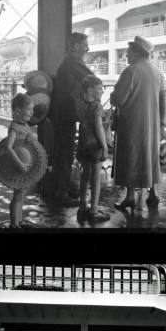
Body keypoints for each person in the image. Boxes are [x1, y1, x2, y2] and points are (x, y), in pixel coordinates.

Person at [110, 36, 166, 210]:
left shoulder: (131, 71)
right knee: (150, 156)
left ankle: (130, 197)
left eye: (128, 52)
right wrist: (162, 121)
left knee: (130, 157)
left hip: (131, 123)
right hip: (152, 124)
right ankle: (154, 193)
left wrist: (112, 95)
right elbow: (163, 97)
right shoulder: (158, 73)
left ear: (137, 52)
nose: (126, 56)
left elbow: (118, 99)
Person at [51, 32, 93, 206]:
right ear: (75, 46)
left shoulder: (67, 61)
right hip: (65, 112)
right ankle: (61, 194)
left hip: (61, 111)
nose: (87, 48)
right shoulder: (73, 62)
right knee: (65, 153)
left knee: (63, 151)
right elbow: (92, 78)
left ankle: (63, 188)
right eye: (84, 45)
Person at [76, 75, 110, 223]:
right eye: (99, 89)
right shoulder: (97, 106)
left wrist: (104, 118)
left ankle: (82, 205)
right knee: (96, 177)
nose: (102, 92)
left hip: (83, 145)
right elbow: (98, 126)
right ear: (90, 90)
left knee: (85, 175)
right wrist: (104, 147)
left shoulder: (82, 105)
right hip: (95, 146)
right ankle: (94, 211)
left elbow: (87, 124)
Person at [5, 93, 36, 228]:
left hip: (25, 166)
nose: (32, 112)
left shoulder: (24, 125)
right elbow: (8, 147)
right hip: (19, 166)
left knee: (22, 193)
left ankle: (19, 221)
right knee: (18, 195)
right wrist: (20, 165)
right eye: (29, 109)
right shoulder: (15, 127)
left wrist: (32, 134)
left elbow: (29, 135)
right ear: (18, 111)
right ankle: (14, 224)